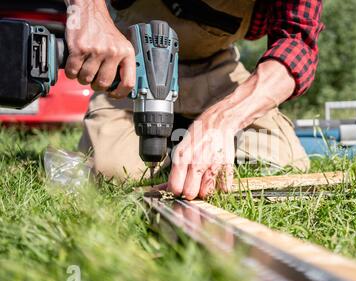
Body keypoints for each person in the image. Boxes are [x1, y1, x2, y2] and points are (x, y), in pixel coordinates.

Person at [65, 0, 323, 199]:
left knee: (280, 160)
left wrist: (222, 120)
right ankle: (178, 140)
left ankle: (186, 138)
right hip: (134, 67)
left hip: (213, 68)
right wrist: (89, 13)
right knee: (110, 171)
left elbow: (298, 43)